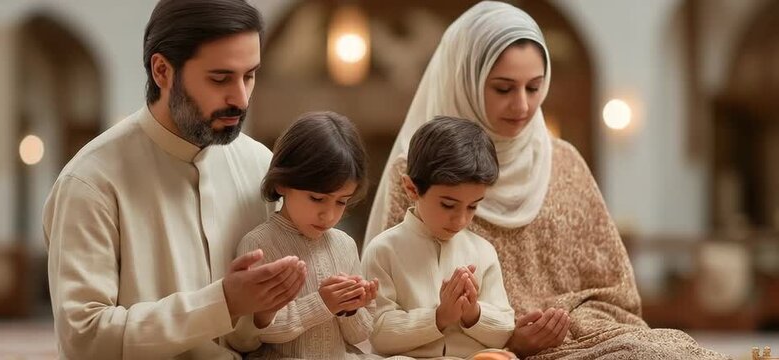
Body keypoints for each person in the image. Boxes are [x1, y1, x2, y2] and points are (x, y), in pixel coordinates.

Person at [364, 2, 729, 359]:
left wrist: (560, 326)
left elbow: (615, 294)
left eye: (534, 87)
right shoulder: (413, 171)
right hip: (481, 352)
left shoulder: (565, 161)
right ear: (466, 80)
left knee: (669, 350)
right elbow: (403, 306)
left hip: (588, 335)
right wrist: (511, 340)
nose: (522, 106)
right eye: (504, 89)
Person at [42, 1, 307, 359]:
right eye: (220, 78)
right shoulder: (91, 182)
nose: (241, 99)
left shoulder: (261, 166)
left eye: (250, 75)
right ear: (163, 71)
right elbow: (85, 339)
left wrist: (263, 311)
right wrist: (223, 302)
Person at [226, 111, 380, 359]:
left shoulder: (344, 245)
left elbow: (360, 335)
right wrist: (323, 303)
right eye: (317, 199)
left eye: (341, 202)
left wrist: (349, 308)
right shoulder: (259, 244)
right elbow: (257, 335)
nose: (329, 216)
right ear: (281, 183)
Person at [362, 116, 516, 359]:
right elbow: (377, 333)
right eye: (448, 205)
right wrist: (439, 317)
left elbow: (505, 329)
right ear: (412, 189)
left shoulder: (483, 252)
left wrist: (472, 313)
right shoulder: (384, 250)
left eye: (472, 207)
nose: (461, 220)